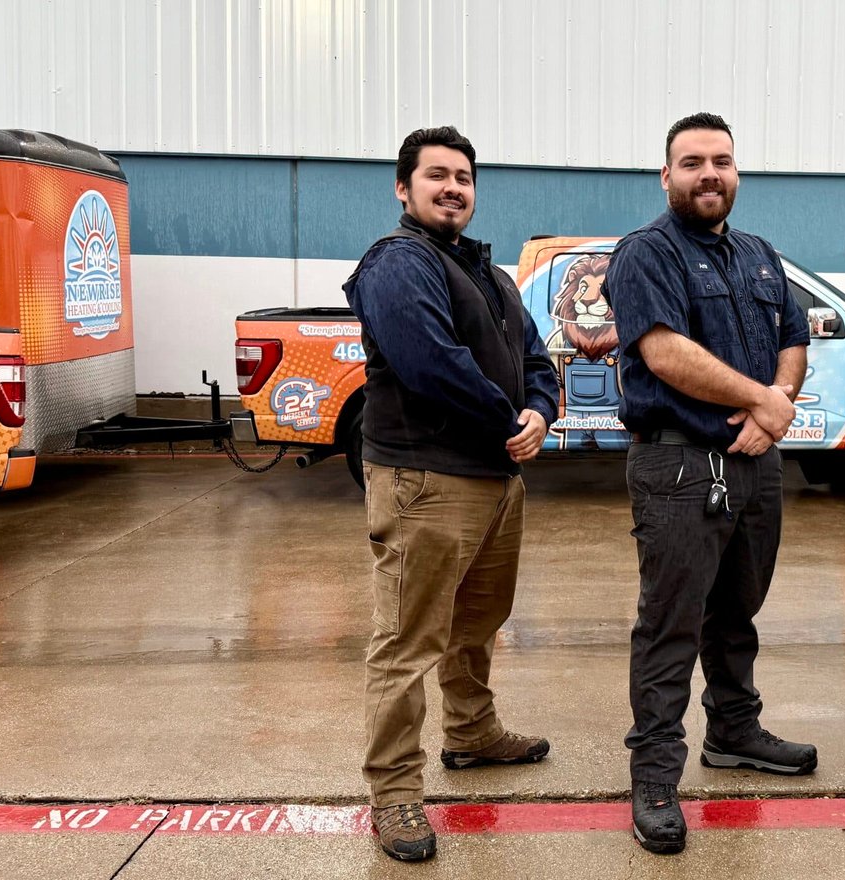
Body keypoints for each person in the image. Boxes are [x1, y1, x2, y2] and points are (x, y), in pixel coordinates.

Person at [342, 126, 560, 863]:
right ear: (404, 188)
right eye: (436, 175)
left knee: (478, 620)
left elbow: (536, 359)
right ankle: (395, 793)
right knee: (407, 640)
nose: (453, 187)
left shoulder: (492, 277)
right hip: (425, 480)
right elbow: (429, 361)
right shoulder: (397, 263)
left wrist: (540, 411)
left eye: (463, 176)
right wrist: (510, 420)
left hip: (495, 480)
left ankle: (470, 733)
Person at [606, 112, 814, 856]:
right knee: (671, 624)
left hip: (755, 465)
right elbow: (663, 352)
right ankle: (656, 776)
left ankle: (734, 729)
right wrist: (759, 400)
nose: (709, 174)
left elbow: (794, 335)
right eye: (691, 162)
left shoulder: (759, 255)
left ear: (737, 171)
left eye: (721, 161)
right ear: (666, 176)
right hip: (678, 465)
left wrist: (776, 404)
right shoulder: (644, 254)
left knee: (738, 611)